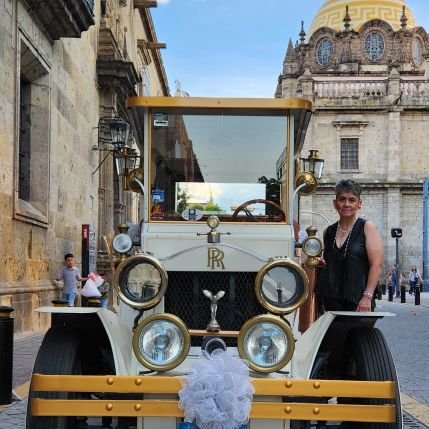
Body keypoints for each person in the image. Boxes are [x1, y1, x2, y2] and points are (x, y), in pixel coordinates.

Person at [317, 179, 384, 312]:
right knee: (333, 333)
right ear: (335, 203)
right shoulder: (328, 231)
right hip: (330, 301)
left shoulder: (367, 227)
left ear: (359, 203)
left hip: (358, 301)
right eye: (342, 199)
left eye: (352, 200)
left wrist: (367, 297)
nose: (346, 204)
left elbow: (377, 264)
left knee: (360, 333)